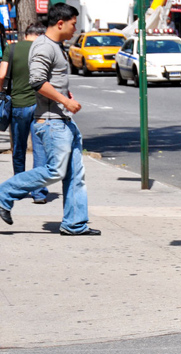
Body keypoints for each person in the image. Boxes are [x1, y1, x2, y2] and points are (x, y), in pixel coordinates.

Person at [0, 3, 101, 236]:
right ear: (60, 23)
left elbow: (50, 81)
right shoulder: (44, 47)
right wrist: (65, 101)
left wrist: (65, 96)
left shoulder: (57, 46)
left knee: (76, 174)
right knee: (55, 171)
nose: (75, 29)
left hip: (63, 120)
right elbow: (37, 81)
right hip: (51, 121)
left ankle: (75, 224)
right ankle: (4, 194)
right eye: (74, 24)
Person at [0, 22, 48, 204]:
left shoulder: (11, 49)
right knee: (40, 149)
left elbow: (1, 75)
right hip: (40, 106)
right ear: (41, 35)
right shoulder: (43, 49)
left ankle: (18, 187)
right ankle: (39, 192)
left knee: (19, 148)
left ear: (26, 34)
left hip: (18, 105)